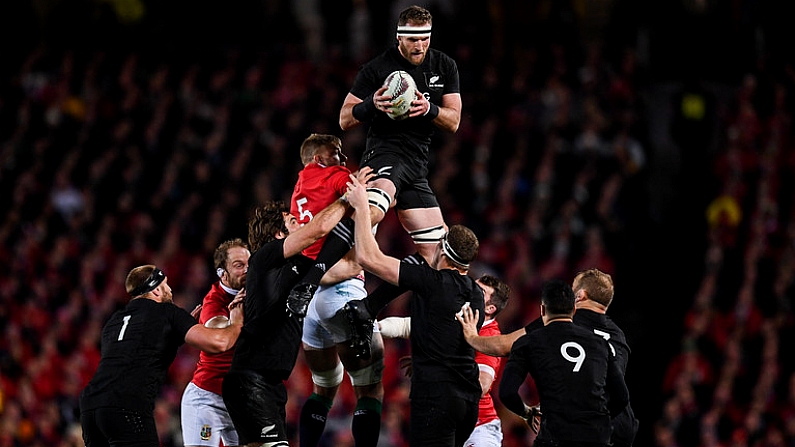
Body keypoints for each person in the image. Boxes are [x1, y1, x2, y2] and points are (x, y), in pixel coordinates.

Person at [287, 4, 462, 317]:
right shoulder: (376, 68)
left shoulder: (444, 66)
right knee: (371, 209)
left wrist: (429, 109)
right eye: (413, 40)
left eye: (425, 39)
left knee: (440, 259)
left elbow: (454, 120)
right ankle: (309, 283)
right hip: (385, 153)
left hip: (417, 167)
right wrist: (371, 104)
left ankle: (366, 309)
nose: (420, 45)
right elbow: (344, 118)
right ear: (399, 37)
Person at [222, 168, 372, 447]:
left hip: (267, 385)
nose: (300, 220)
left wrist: (364, 213)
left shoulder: (299, 270)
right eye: (292, 220)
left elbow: (352, 265)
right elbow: (318, 229)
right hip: (252, 379)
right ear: (279, 233)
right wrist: (349, 198)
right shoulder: (265, 258)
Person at [346, 173, 484, 447]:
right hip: (468, 400)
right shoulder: (477, 294)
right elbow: (445, 329)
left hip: (436, 398)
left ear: (442, 252)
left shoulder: (432, 282)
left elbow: (368, 257)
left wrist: (362, 206)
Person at [457, 268, 640, 446]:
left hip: (571, 426)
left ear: (580, 296)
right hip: (620, 426)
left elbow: (504, 346)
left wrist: (472, 337)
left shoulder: (561, 319)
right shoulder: (618, 335)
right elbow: (619, 393)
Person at [288, 134, 386, 447]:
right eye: (336, 152)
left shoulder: (300, 188)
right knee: (369, 389)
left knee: (324, 387)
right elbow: (359, 205)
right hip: (343, 291)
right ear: (318, 157)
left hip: (311, 303)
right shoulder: (335, 176)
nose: (343, 158)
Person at [80, 265, 244, 447]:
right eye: (166, 284)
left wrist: (175, 333)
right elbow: (219, 343)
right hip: (127, 407)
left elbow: (134, 355)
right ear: (156, 289)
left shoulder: (114, 321)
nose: (170, 289)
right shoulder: (167, 312)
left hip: (90, 408)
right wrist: (236, 322)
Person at [377, 274, 512, 447]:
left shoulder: (489, 337)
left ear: (490, 308)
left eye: (479, 292)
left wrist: (437, 365)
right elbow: (409, 325)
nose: (469, 292)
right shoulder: (455, 317)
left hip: (478, 427)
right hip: (444, 421)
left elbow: (482, 385)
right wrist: (375, 327)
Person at [498, 279, 630, 447]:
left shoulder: (528, 342)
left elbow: (507, 393)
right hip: (596, 437)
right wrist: (597, 420)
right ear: (574, 310)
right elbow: (622, 396)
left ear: (543, 310)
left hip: (555, 436)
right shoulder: (599, 343)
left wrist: (527, 413)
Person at [181, 239, 251, 447]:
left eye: (249, 264)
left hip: (241, 401)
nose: (247, 270)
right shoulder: (214, 302)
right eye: (239, 265)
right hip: (208, 401)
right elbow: (221, 337)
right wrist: (236, 321)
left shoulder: (255, 292)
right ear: (222, 273)